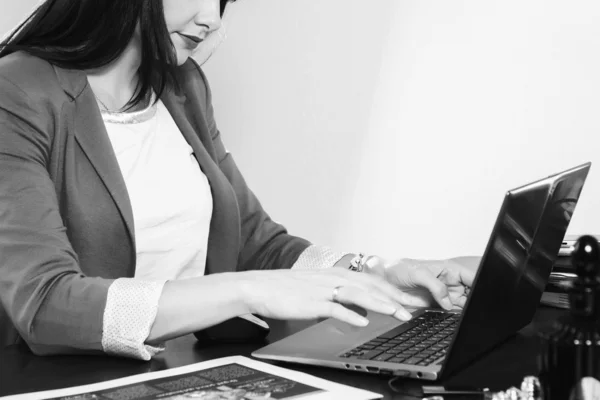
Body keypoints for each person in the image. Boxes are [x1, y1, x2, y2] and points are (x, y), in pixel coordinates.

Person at [0, 0, 478, 360]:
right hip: (50, 379)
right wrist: (245, 289)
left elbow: (257, 244)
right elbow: (43, 304)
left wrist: (379, 273)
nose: (212, 19)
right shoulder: (16, 90)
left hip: (175, 370)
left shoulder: (181, 86)